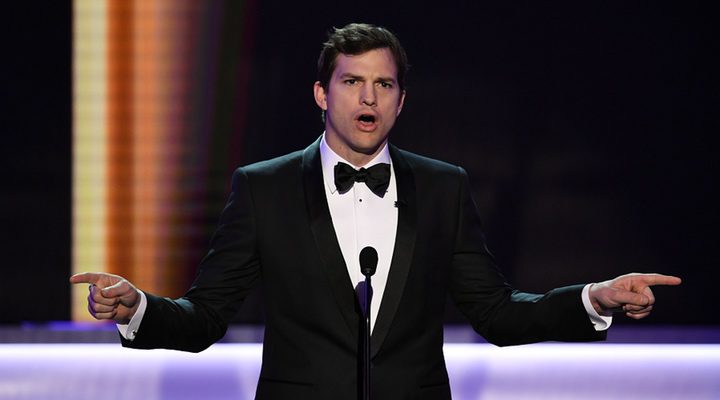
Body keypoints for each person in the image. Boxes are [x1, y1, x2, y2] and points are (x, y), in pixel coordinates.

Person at [71, 23, 681, 399]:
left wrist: (593, 298)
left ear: (400, 100)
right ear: (321, 93)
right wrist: (140, 308)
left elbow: (497, 314)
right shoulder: (264, 189)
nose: (369, 96)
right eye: (352, 81)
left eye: (383, 84)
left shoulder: (444, 188)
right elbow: (205, 318)